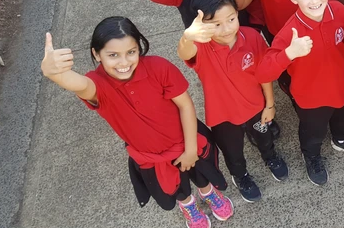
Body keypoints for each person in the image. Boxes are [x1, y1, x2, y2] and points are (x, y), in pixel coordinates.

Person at [40, 17, 232, 228]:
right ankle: (189, 206)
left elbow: (185, 106)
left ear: (139, 48)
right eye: (113, 55)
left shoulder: (159, 67)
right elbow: (77, 84)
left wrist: (191, 149)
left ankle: (208, 193)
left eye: (131, 52)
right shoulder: (97, 86)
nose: (124, 63)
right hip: (152, 157)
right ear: (96, 54)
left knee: (201, 173)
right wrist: (53, 73)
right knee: (178, 188)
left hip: (187, 140)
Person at [256, 0, 344, 186]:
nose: (315, 0)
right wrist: (289, 52)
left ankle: (342, 139)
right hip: (311, 98)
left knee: (343, 118)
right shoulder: (290, 32)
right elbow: (263, 73)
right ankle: (311, 155)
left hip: (341, 87)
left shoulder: (339, 11)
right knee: (312, 131)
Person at [177, 0, 288, 203]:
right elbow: (184, 52)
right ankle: (241, 176)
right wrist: (188, 37)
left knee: (264, 137)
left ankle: (270, 157)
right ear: (203, 26)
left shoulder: (252, 37)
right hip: (223, 117)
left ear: (237, 13)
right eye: (216, 24)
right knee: (233, 153)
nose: (227, 28)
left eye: (231, 19)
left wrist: (270, 104)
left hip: (256, 108)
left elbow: (264, 74)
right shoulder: (201, 47)